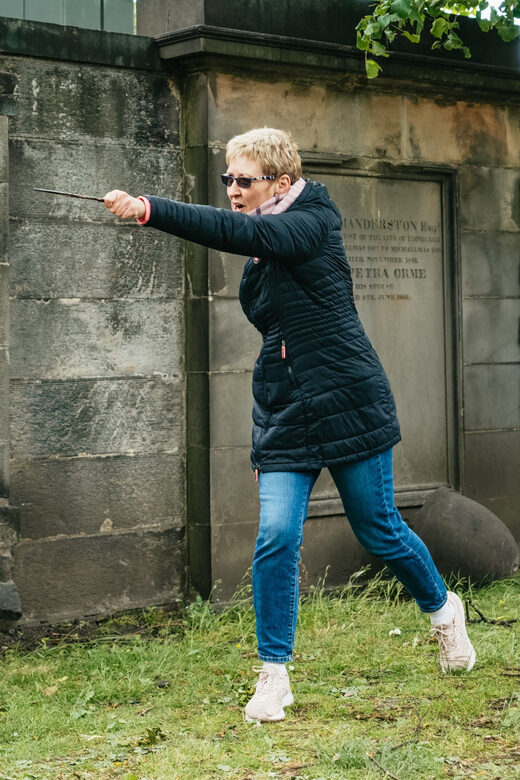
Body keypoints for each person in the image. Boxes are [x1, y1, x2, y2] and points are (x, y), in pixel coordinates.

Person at [104, 127, 476, 724]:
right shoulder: (264, 239)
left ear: (280, 181)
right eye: (227, 178)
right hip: (284, 408)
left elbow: (247, 232)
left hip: (348, 397)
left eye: (243, 180)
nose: (231, 189)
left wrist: (150, 208)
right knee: (276, 535)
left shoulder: (312, 218)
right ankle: (274, 675)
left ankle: (442, 611)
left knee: (378, 529)